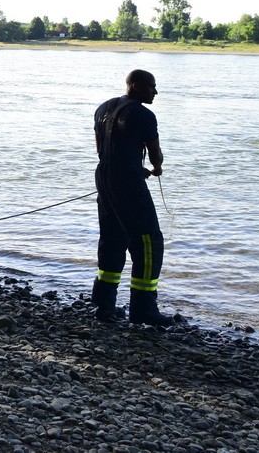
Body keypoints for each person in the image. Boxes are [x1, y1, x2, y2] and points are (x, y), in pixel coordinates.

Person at [91, 69, 177, 326]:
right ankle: (144, 309)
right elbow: (155, 155)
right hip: (127, 183)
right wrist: (157, 169)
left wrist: (129, 165)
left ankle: (104, 305)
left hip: (104, 178)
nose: (155, 92)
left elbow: (101, 149)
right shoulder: (143, 114)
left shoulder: (103, 107)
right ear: (136, 86)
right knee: (149, 242)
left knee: (112, 238)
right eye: (152, 87)